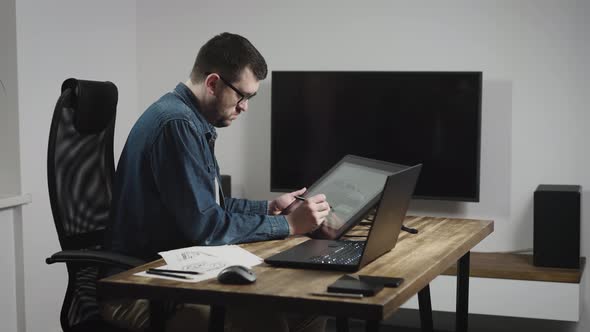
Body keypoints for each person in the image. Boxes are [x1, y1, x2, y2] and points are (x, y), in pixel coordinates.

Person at [102, 32, 331, 332]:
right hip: (138, 290)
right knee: (266, 319)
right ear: (212, 83)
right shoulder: (177, 125)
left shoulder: (190, 121)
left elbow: (210, 207)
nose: (245, 107)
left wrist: (269, 208)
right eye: (242, 95)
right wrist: (289, 226)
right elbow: (207, 228)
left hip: (167, 276)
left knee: (307, 306)